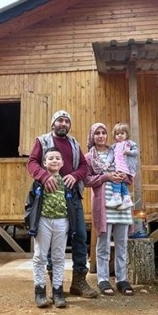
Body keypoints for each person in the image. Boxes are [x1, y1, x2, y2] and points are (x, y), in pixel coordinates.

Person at [27, 110, 99, 298]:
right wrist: (43, 176)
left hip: (72, 197)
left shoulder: (74, 144)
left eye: (67, 121)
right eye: (60, 120)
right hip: (48, 197)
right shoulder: (42, 141)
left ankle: (79, 282)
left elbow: (84, 167)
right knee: (50, 242)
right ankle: (55, 287)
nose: (63, 124)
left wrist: (75, 176)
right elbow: (32, 162)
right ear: (53, 123)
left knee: (81, 236)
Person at [84, 122, 135, 296]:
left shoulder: (117, 151)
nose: (100, 135)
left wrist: (123, 177)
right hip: (103, 204)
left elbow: (130, 171)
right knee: (103, 244)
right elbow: (87, 180)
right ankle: (103, 279)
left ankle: (121, 279)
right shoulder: (89, 157)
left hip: (121, 204)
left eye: (103, 132)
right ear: (92, 136)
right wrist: (106, 176)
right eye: (97, 133)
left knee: (121, 243)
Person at [24, 148, 78, 308]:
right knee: (40, 256)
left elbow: (72, 203)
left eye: (57, 158)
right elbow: (30, 202)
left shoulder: (67, 182)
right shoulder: (39, 182)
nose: (54, 160)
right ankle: (39, 291)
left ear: (62, 163)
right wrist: (30, 220)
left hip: (62, 221)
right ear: (44, 163)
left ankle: (57, 291)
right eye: (50, 158)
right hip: (43, 221)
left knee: (59, 257)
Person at [105, 122, 139, 210]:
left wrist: (129, 152)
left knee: (116, 179)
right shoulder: (114, 146)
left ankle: (116, 197)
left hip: (125, 167)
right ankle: (127, 199)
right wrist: (108, 162)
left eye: (122, 133)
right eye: (117, 134)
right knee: (122, 183)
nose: (119, 135)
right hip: (118, 166)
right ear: (114, 135)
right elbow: (110, 156)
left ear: (126, 134)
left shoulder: (129, 144)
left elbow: (136, 152)